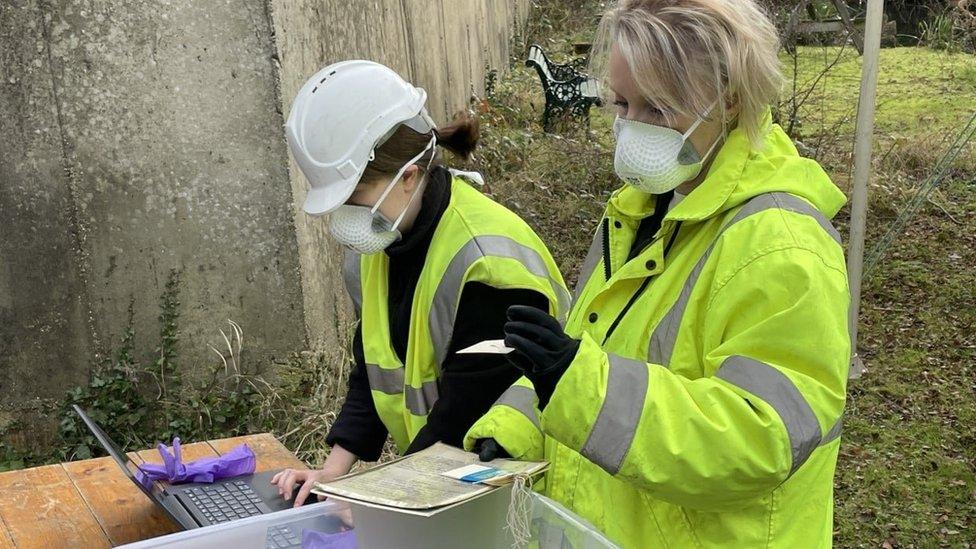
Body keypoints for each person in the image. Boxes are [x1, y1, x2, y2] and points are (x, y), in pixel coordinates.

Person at [465, 0, 851, 546]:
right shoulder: (641, 210)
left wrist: (574, 381)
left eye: (659, 108)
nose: (631, 127)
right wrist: (511, 433)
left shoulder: (780, 246)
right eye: (622, 103)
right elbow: (583, 360)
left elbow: (758, 439)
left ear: (732, 99)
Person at [270, 60, 569, 507]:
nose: (346, 218)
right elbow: (373, 368)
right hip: (444, 484)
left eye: (354, 199)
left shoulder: (488, 267)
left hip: (514, 494)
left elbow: (462, 419)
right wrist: (332, 475)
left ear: (408, 176)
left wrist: (374, 502)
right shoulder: (383, 239)